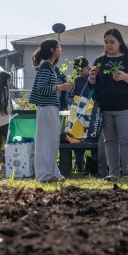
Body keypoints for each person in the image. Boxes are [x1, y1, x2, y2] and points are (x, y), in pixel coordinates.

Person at [88, 28, 128, 181]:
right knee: (110, 142)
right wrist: (92, 78)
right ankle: (113, 173)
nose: (109, 45)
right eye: (106, 42)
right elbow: (92, 86)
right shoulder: (100, 61)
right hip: (105, 109)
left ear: (120, 42)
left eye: (112, 42)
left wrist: (127, 77)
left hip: (126, 108)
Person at [29, 39, 74, 182]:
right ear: (52, 50)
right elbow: (41, 89)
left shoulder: (49, 67)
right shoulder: (46, 68)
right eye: (59, 47)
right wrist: (60, 88)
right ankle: (44, 174)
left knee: (51, 142)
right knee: (47, 142)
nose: (61, 49)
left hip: (49, 108)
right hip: (46, 108)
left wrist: (59, 87)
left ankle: (52, 172)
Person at [68, 56, 99, 173]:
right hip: (79, 114)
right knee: (77, 137)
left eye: (82, 70)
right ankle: (78, 164)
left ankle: (94, 164)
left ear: (88, 67)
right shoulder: (75, 79)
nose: (80, 73)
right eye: (78, 71)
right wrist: (73, 102)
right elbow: (69, 96)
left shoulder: (95, 76)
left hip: (94, 113)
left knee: (94, 137)